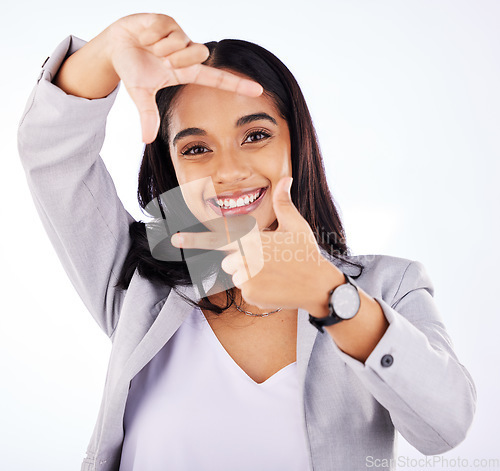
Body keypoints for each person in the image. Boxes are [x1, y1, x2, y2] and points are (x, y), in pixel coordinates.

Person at [18, 13, 476, 471]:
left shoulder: (387, 285)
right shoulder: (140, 284)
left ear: (296, 145)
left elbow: (444, 425)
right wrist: (105, 50)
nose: (228, 171)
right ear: (172, 167)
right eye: (196, 148)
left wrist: (329, 295)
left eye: (255, 135)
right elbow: (52, 150)